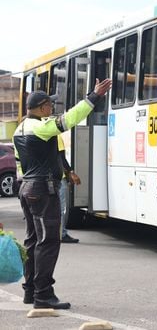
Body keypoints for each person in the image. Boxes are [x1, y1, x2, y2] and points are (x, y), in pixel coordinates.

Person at [13, 78, 112, 310]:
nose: (52, 109)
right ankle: (44, 294)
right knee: (48, 241)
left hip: (27, 188)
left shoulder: (20, 129)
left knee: (32, 240)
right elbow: (69, 119)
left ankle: (31, 290)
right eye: (50, 105)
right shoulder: (41, 127)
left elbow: (20, 164)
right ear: (41, 107)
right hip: (43, 190)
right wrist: (93, 97)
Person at [57, 134, 81, 244]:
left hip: (42, 178)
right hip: (58, 178)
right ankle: (62, 234)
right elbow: (61, 157)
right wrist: (71, 172)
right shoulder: (56, 136)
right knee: (62, 208)